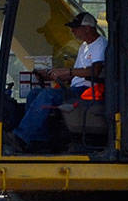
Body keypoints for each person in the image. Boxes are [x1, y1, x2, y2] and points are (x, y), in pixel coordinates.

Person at [15, 11, 108, 149]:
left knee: (48, 95)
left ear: (88, 28)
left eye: (76, 27)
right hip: (75, 89)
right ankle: (39, 140)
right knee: (34, 93)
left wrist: (68, 71)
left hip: (87, 91)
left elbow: (95, 71)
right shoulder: (84, 47)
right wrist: (52, 74)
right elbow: (75, 74)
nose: (73, 31)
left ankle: (21, 137)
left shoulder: (100, 44)